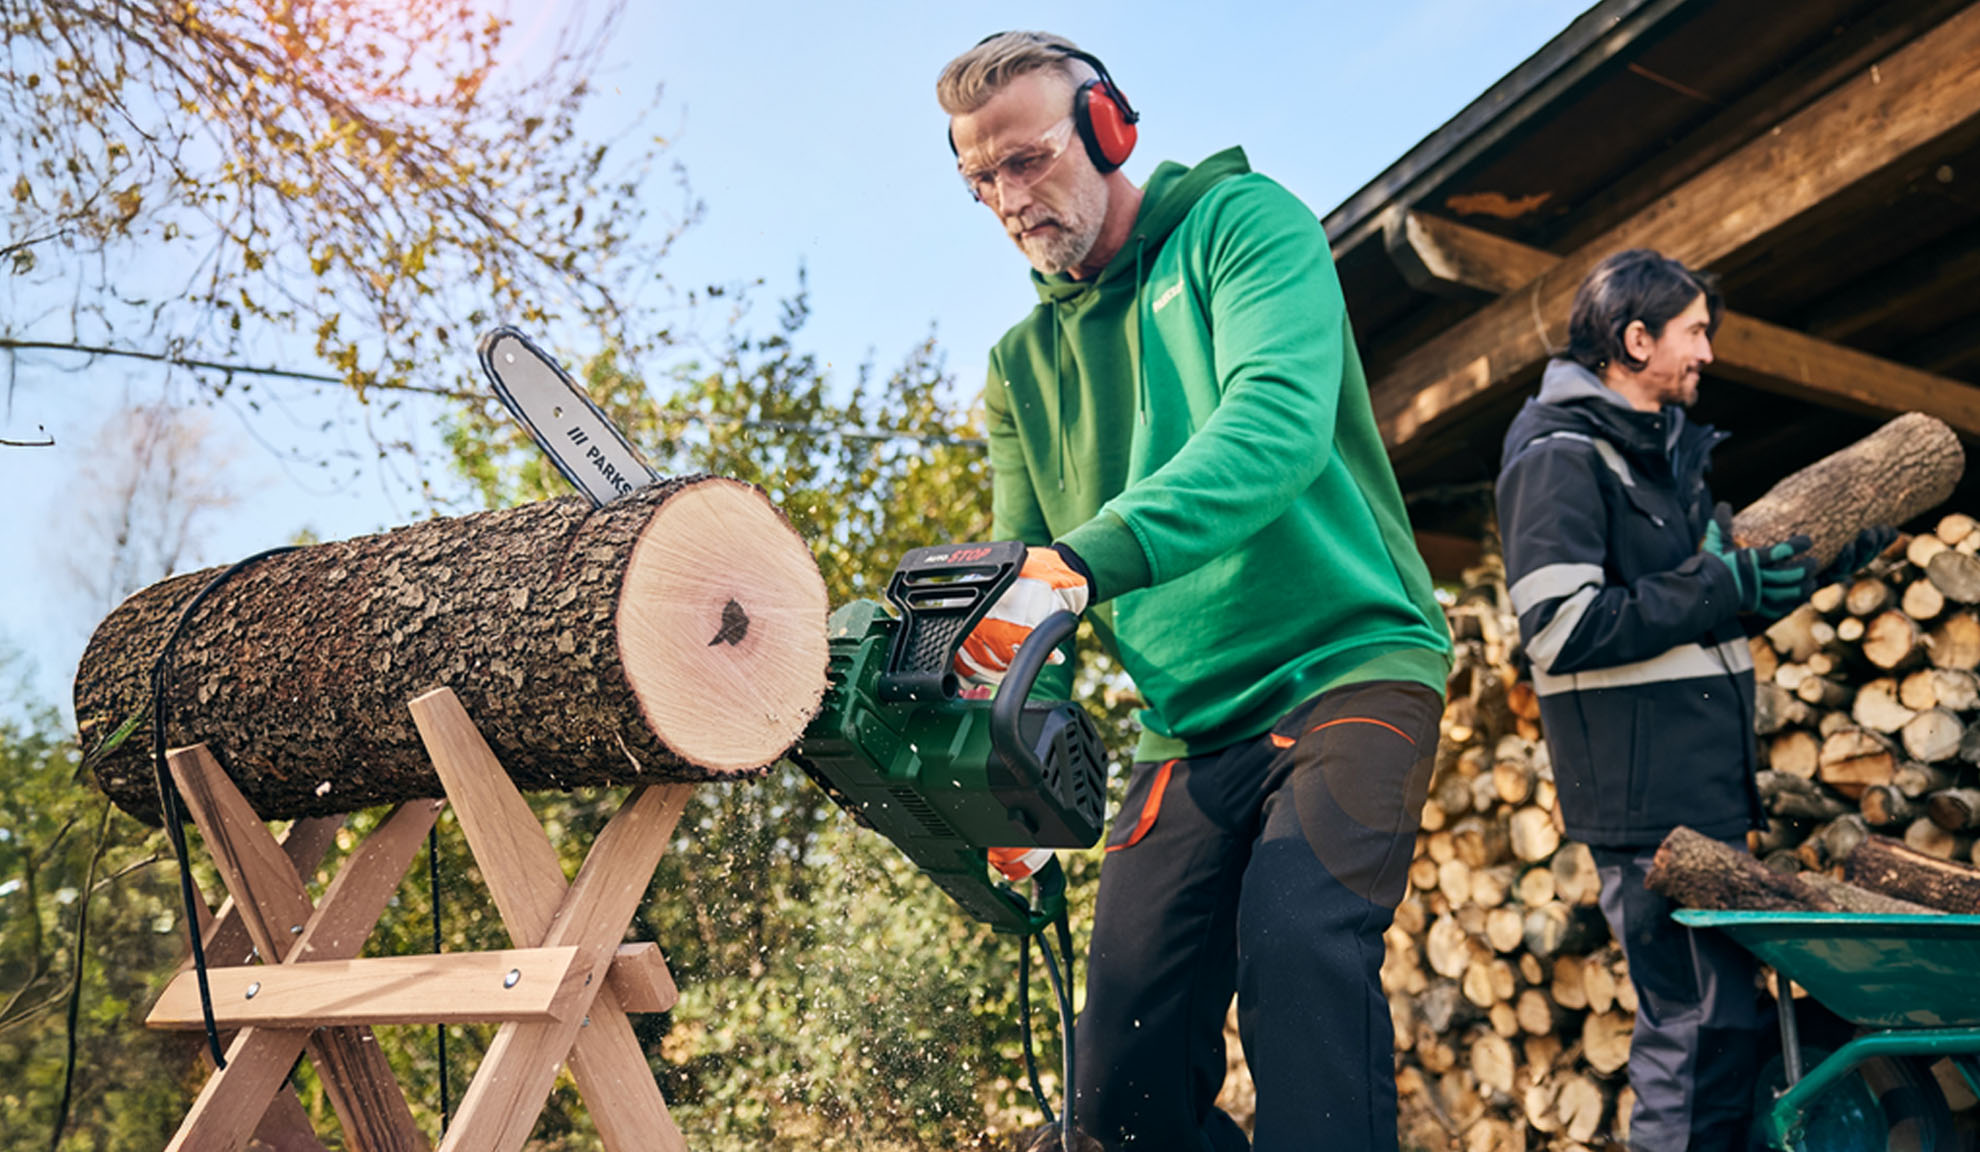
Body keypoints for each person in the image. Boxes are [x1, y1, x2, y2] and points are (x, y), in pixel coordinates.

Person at [936, 31, 1453, 1152]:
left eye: (1026, 161)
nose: (1008, 199)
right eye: (981, 179)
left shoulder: (1243, 228)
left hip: (1347, 670)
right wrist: (1002, 760)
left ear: (1108, 129)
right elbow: (1028, 580)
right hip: (1186, 728)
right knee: (1121, 1074)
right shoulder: (1019, 368)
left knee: (1302, 954)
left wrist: (1084, 561)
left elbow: (1271, 429)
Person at [1493, 249, 1892, 1150]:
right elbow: (1561, 627)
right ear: (1636, 340)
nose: (1709, 351)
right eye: (1695, 331)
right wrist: (1724, 587)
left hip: (1702, 793)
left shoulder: (1661, 458)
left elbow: (1686, 607)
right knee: (1692, 1034)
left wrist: (1791, 579)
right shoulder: (1558, 457)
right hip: (1644, 810)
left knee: (1723, 1037)